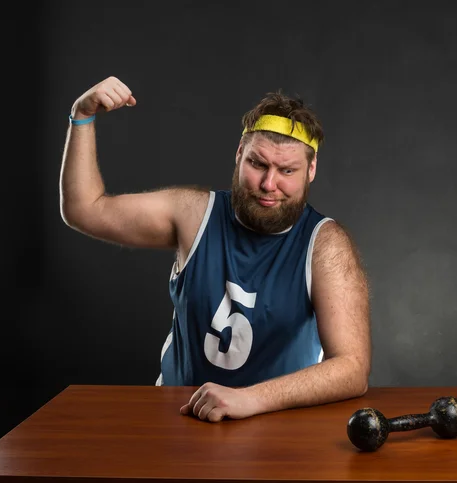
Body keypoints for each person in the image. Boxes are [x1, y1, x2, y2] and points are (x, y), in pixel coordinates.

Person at [60, 76, 371, 423]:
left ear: (310, 170)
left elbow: (352, 368)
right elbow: (84, 209)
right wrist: (82, 116)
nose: (270, 184)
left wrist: (249, 399)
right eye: (258, 164)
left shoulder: (324, 245)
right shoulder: (194, 215)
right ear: (239, 154)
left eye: (287, 170)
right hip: (178, 418)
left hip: (279, 424)